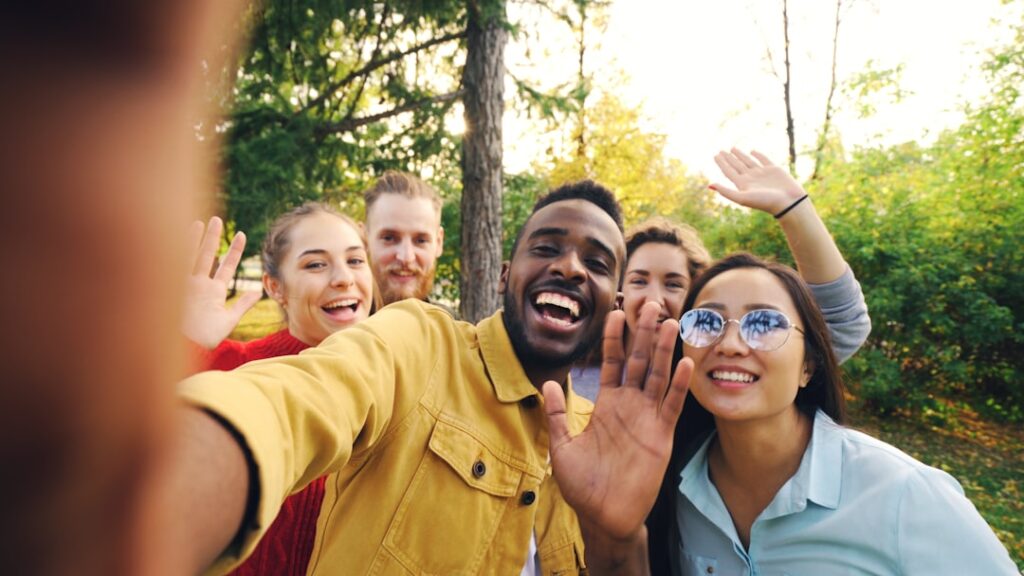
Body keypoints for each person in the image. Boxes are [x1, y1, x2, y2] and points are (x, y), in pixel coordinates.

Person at [168, 181, 690, 575]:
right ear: (506, 276)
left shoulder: (599, 433)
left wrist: (618, 540)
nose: (572, 267)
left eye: (597, 263)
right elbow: (293, 403)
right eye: (548, 248)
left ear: (613, 302)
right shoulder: (418, 342)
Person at [548, 253, 1020, 575]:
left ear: (808, 365)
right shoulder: (672, 488)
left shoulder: (903, 493)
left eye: (764, 323)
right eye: (707, 321)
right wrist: (614, 533)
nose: (730, 344)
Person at [571, 149, 871, 402]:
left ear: (695, 298)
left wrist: (794, 210)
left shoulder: (714, 366)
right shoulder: (571, 365)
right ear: (618, 292)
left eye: (674, 284)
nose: (654, 300)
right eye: (639, 280)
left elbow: (844, 328)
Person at [181, 201, 379, 576]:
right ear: (276, 287)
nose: (343, 278)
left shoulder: (401, 382)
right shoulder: (230, 368)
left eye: (355, 261)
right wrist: (187, 341)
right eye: (315, 264)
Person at [363, 171, 447, 307]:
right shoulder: (335, 326)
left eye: (420, 241)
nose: (406, 257)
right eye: (389, 238)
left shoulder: (451, 326)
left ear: (438, 243)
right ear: (364, 239)